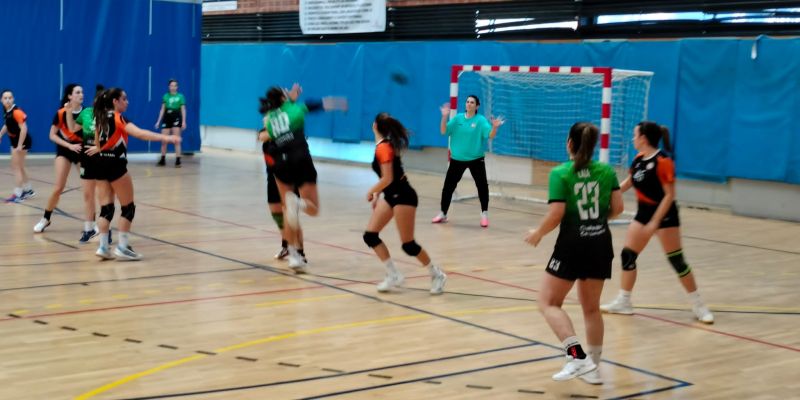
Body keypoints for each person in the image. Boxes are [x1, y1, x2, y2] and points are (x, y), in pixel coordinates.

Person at [525, 122, 623, 383]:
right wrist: (595, 222)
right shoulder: (606, 171)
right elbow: (618, 208)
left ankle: (577, 356)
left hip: (572, 246)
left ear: (569, 143)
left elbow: (556, 214)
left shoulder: (561, 173)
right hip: (601, 243)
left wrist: (538, 233)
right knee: (591, 309)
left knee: (547, 302)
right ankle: (594, 368)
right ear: (592, 146)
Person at [601, 122, 714, 324]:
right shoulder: (637, 160)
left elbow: (670, 195)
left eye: (635, 135)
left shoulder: (663, 161)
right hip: (643, 216)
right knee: (628, 255)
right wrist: (609, 194)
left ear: (644, 138)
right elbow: (628, 183)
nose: (633, 138)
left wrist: (655, 221)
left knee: (677, 261)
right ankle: (624, 301)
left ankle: (699, 306)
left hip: (666, 217)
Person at [257, 83, 346, 272]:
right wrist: (338, 103)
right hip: (300, 158)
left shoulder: (270, 119)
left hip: (280, 165)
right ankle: (297, 205)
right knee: (312, 208)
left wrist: (288, 98)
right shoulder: (295, 109)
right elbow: (317, 105)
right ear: (283, 98)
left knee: (287, 210)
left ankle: (294, 256)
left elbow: (265, 134)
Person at [91, 88, 180, 260]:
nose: (127, 102)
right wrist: (167, 139)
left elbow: (97, 143)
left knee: (106, 209)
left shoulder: (100, 118)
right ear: (115, 101)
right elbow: (140, 134)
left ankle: (103, 247)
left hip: (99, 164)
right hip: (115, 165)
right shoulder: (119, 118)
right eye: (124, 99)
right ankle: (122, 248)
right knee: (128, 208)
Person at [364, 113, 447, 294]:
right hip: (391, 195)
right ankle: (393, 274)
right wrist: (378, 193)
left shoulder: (383, 148)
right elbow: (387, 178)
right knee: (370, 236)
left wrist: (372, 191)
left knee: (408, 244)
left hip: (403, 196)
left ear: (375, 126)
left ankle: (437, 274)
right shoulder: (382, 146)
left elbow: (388, 177)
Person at [432, 95, 503, 227]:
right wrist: (444, 116)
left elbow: (490, 136)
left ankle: (484, 214)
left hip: (476, 159)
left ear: (477, 106)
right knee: (448, 187)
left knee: (482, 186)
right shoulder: (458, 118)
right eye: (467, 102)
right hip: (457, 159)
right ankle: (443, 213)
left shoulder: (481, 121)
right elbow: (443, 131)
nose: (469, 104)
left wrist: (495, 127)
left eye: (472, 102)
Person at [66, 84, 115, 244]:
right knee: (87, 195)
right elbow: (73, 129)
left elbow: (113, 137)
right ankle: (88, 229)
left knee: (103, 196)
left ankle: (105, 230)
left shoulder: (109, 115)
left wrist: (99, 147)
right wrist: (68, 111)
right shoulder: (86, 113)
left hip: (102, 157)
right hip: (86, 157)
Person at [33, 84, 85, 234]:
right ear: (69, 96)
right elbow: (52, 135)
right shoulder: (61, 113)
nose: (81, 94)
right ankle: (45, 218)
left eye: (82, 92)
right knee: (58, 187)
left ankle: (91, 223)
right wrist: (69, 146)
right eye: (77, 92)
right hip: (65, 150)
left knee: (88, 189)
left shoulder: (86, 113)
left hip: (81, 151)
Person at [261, 128, 305, 262]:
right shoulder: (267, 137)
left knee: (291, 217)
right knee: (277, 215)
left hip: (289, 181)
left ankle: (299, 252)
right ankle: (286, 246)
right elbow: (261, 135)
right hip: (272, 181)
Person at [1, 89, 35, 203]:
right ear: (1, 100)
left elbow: (24, 128)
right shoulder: (6, 110)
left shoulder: (16, 112)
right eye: (5, 98)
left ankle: (18, 194)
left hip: (22, 141)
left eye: (10, 98)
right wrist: (0, 134)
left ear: (13, 99)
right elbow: (7, 124)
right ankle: (29, 190)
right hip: (14, 141)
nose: (8, 100)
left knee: (16, 167)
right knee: (18, 166)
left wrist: (20, 145)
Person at [154, 79, 186, 167]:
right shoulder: (165, 96)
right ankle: (163, 159)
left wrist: (183, 121)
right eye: (171, 85)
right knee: (164, 140)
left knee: (176, 140)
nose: (173, 87)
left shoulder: (180, 96)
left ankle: (178, 160)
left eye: (175, 85)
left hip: (176, 118)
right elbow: (162, 109)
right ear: (169, 87)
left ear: (177, 87)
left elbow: (183, 110)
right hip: (167, 118)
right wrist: (158, 121)